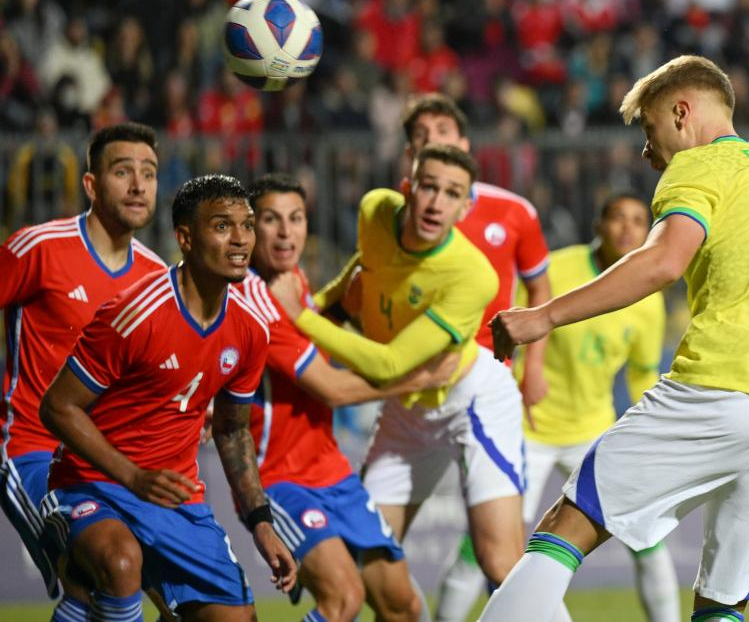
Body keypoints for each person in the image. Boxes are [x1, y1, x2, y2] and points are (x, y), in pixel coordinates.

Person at [481, 55, 749, 622]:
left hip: (717, 386)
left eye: (650, 130)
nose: (646, 151)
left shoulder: (701, 164)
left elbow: (661, 261)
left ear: (683, 113)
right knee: (722, 602)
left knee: (568, 524)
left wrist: (545, 317)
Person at [269, 145, 526, 597]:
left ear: (465, 208)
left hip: (472, 403)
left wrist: (301, 317)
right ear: (408, 187)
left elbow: (389, 364)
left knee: (500, 563)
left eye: (451, 194)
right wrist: (322, 307)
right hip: (408, 411)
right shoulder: (375, 210)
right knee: (369, 564)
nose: (435, 202)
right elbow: (362, 271)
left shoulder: (472, 276)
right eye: (428, 187)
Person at [39, 175, 297, 622]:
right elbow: (57, 407)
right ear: (185, 238)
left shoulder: (251, 330)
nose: (240, 239)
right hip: (94, 484)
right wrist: (133, 476)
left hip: (176, 500)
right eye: (222, 226)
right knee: (121, 566)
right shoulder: (135, 313)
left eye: (247, 225)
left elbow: (232, 430)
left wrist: (261, 523)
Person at [439, 193, 682, 622]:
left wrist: (655, 426)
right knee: (485, 547)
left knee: (647, 538)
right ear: (598, 226)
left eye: (638, 220)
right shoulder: (556, 269)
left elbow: (643, 373)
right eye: (617, 218)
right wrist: (512, 389)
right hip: (529, 431)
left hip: (593, 431)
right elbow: (508, 330)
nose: (627, 228)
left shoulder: (649, 295)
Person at [236, 175, 461, 622]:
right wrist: (419, 376)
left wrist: (336, 309)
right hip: (278, 479)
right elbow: (332, 388)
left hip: (330, 471)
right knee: (343, 600)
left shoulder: (292, 281)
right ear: (249, 228)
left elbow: (309, 341)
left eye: (296, 218)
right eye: (271, 220)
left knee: (403, 605)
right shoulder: (253, 302)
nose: (286, 232)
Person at [399, 93, 554, 622]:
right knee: (375, 551)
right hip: (409, 390)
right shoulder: (391, 212)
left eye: (442, 129)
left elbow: (540, 289)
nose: (432, 140)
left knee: (500, 555)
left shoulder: (513, 210)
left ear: (464, 143)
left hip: (484, 384)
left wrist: (534, 367)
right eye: (419, 135)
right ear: (409, 153)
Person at [0, 122, 165, 620]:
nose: (138, 185)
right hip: (33, 451)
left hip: (113, 463)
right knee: (111, 568)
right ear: (92, 185)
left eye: (149, 173)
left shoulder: (157, 276)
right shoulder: (39, 249)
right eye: (123, 171)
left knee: (181, 604)